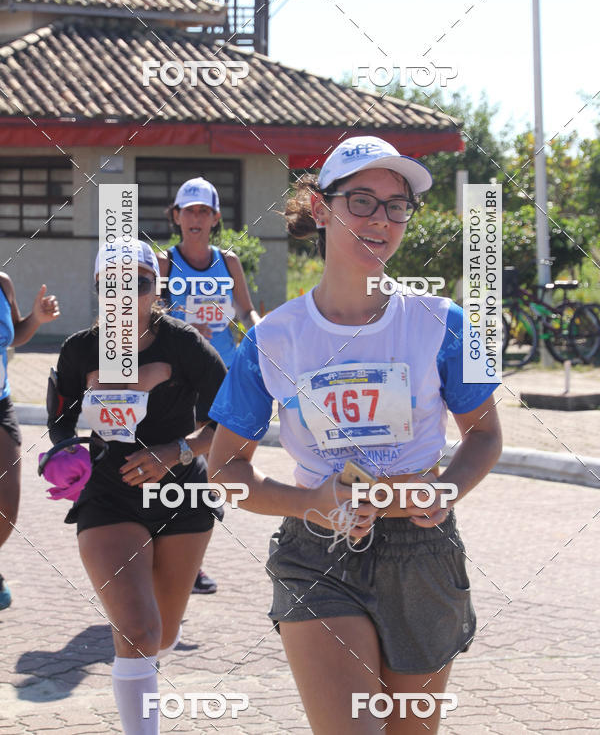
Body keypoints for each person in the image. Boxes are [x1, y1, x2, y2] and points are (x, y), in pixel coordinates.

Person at [208, 135, 502, 734]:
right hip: (318, 555)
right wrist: (311, 503)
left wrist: (445, 490)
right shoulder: (272, 339)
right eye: (362, 201)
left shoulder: (446, 323)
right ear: (320, 208)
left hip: (423, 559)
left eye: (397, 206)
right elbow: (225, 472)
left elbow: (486, 434)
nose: (382, 219)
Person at [41, 239, 226, 735]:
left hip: (180, 496)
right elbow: (59, 421)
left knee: (159, 634)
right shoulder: (80, 348)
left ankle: (151, 657)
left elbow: (232, 422)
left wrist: (175, 453)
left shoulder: (185, 345)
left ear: (156, 288)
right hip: (109, 495)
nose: (126, 295)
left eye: (139, 284)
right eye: (113, 284)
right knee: (139, 630)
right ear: (100, 290)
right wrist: (66, 453)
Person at [158, 176, 260, 594]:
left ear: (216, 218)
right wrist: (183, 325)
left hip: (223, 378)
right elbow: (147, 317)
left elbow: (248, 313)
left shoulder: (228, 261)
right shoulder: (164, 263)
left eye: (204, 211)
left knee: (210, 469)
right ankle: (173, 557)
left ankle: (191, 561)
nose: (196, 218)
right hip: (178, 380)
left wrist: (264, 336)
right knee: (184, 466)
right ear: (177, 216)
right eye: (189, 210)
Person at [0, 274, 59, 609]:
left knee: (7, 503)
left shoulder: (4, 282)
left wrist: (36, 318)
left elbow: (14, 334)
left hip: (0, 403)